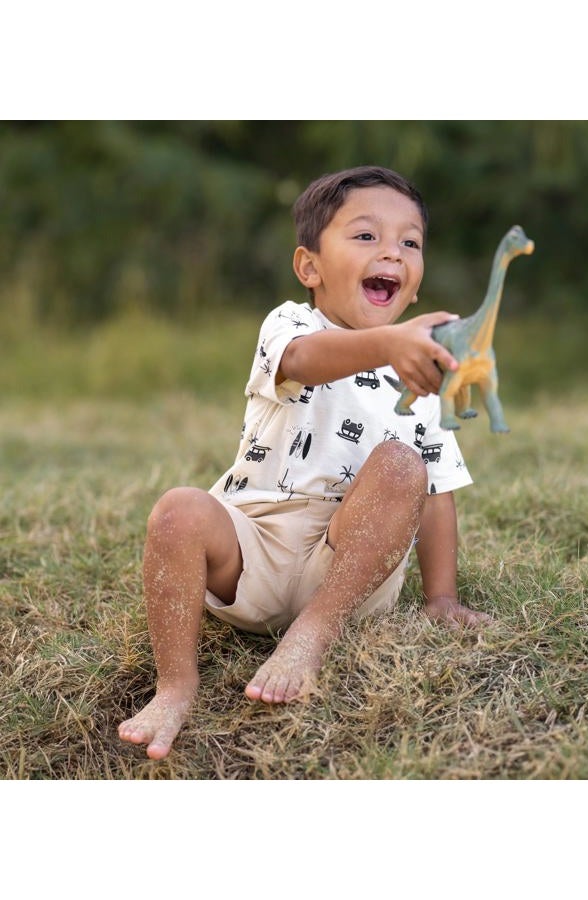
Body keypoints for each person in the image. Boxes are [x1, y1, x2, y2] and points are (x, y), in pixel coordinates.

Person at [118, 165, 491, 760]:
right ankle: (175, 685)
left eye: (410, 242)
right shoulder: (290, 325)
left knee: (404, 465)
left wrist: (440, 597)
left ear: (415, 286)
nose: (391, 251)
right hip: (252, 550)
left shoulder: (419, 374)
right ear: (309, 267)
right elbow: (307, 360)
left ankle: (312, 634)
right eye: (366, 236)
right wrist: (389, 344)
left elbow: (437, 489)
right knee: (178, 510)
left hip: (349, 570)